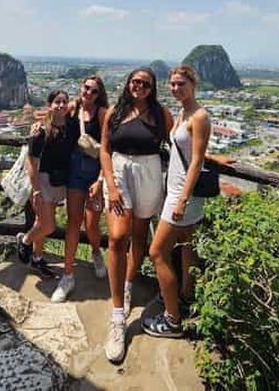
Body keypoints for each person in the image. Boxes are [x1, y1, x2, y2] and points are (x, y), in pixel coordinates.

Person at [142, 66, 234, 338]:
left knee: (157, 253)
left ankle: (172, 320)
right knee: (186, 249)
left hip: (184, 195)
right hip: (178, 191)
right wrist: (214, 159)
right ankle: (185, 298)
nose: (176, 88)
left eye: (181, 84)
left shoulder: (200, 116)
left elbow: (195, 161)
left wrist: (182, 199)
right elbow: (193, 152)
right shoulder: (184, 112)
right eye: (172, 84)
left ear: (194, 84)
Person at [100, 67, 174, 363]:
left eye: (144, 83)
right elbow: (104, 150)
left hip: (149, 173)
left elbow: (180, 145)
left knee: (140, 236)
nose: (138, 86)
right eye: (135, 81)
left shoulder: (161, 114)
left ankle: (128, 285)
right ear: (128, 84)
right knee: (118, 238)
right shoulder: (115, 112)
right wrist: (110, 185)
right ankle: (118, 317)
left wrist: (209, 157)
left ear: (152, 87)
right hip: (119, 172)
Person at [51, 76, 109, 303]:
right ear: (80, 88)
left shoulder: (102, 114)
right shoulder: (73, 108)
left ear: (99, 94)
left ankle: (96, 252)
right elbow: (52, 118)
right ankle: (67, 275)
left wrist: (101, 179)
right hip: (75, 172)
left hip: (95, 173)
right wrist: (38, 125)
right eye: (86, 88)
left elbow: (107, 148)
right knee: (73, 222)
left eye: (94, 91)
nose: (89, 93)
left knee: (92, 223)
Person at [16, 90, 76, 277]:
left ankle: (37, 258)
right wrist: (36, 191)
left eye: (64, 101)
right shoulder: (42, 131)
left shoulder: (71, 126)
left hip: (59, 181)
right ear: (50, 105)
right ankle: (25, 240)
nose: (61, 105)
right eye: (57, 102)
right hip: (43, 181)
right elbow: (31, 162)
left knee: (41, 222)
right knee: (48, 225)